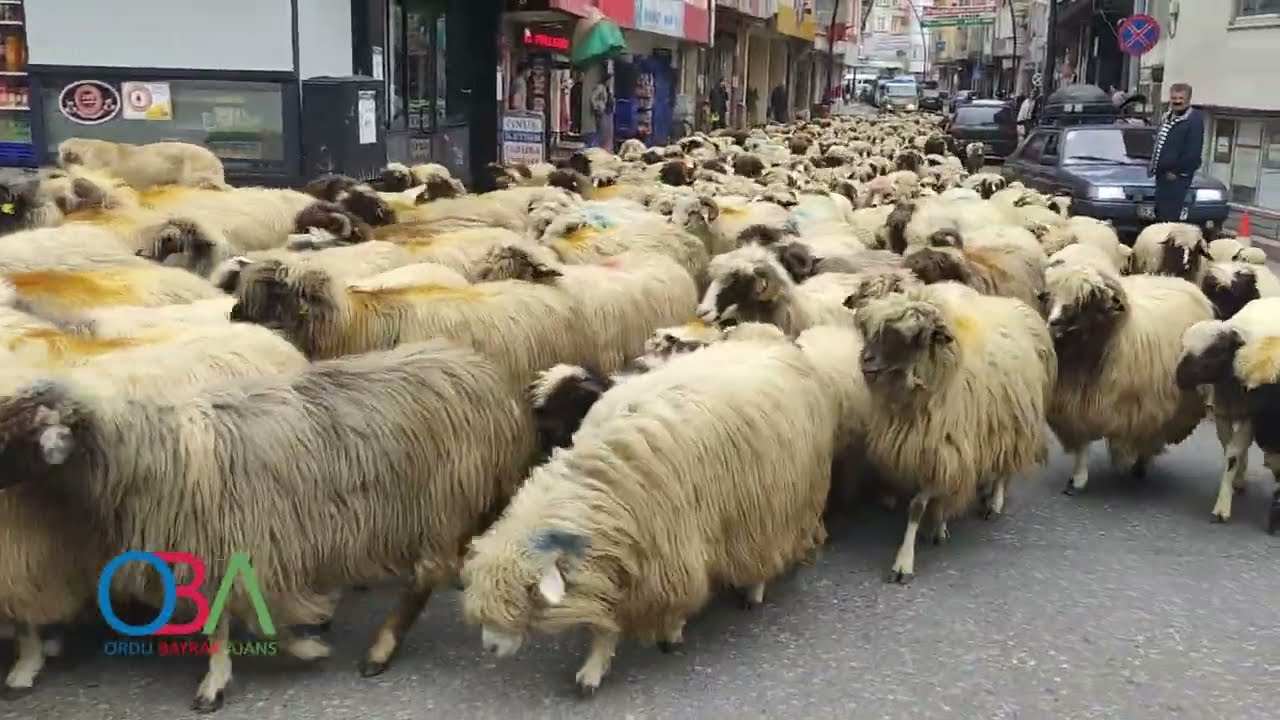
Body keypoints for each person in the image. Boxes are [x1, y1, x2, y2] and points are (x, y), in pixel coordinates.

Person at [1148, 83, 1205, 223]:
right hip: (1161, 175)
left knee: (1170, 217)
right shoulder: (1167, 116)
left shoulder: (1193, 121)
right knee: (1160, 215)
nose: (1177, 101)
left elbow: (1193, 153)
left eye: (1181, 98)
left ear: (1188, 99)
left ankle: (1169, 243)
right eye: (1174, 98)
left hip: (1176, 178)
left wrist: (1176, 171)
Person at [590, 70, 614, 151]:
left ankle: (602, 147)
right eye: (610, 80)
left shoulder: (608, 89)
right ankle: (595, 146)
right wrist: (597, 107)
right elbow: (593, 98)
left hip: (606, 111)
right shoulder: (600, 87)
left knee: (605, 131)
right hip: (601, 111)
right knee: (601, 130)